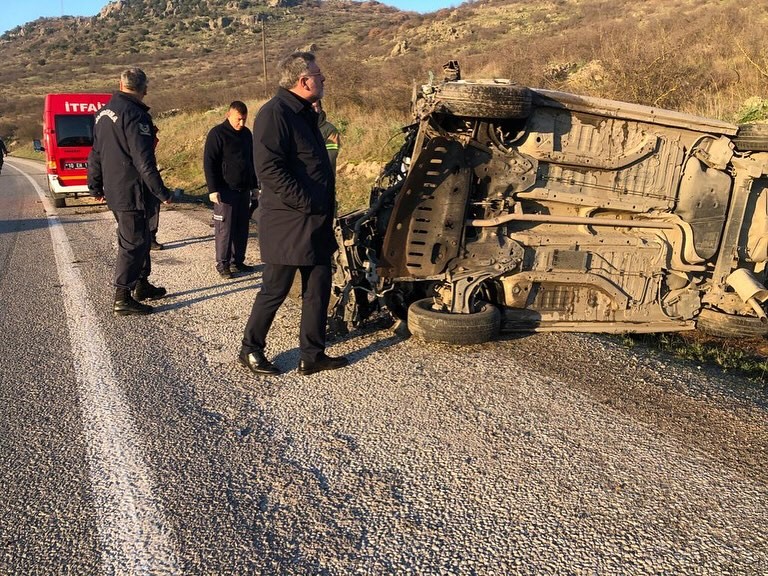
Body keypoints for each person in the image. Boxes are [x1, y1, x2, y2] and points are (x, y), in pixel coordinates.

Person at [238, 52, 348, 377]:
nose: (323, 78)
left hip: (315, 221)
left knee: (318, 288)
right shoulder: (275, 113)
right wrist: (308, 202)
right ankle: (250, 349)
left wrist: (322, 206)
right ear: (303, 81)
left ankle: (312, 355)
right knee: (275, 290)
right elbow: (270, 170)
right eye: (318, 74)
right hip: (289, 223)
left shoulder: (304, 113)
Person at [87, 67, 172, 316]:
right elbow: (143, 161)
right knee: (133, 243)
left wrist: (94, 185)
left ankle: (141, 284)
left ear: (120, 84)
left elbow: (96, 153)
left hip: (115, 190)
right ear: (145, 88)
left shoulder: (102, 113)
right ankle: (122, 296)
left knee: (142, 237)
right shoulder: (135, 115)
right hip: (131, 191)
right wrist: (162, 192)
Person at [203, 101, 258, 279]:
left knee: (242, 227)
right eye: (238, 120)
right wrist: (213, 189)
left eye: (244, 120)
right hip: (224, 190)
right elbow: (209, 163)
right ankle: (223, 264)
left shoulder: (247, 134)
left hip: (243, 189)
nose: (241, 124)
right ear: (229, 115)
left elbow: (252, 161)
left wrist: (254, 186)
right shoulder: (217, 133)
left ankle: (237, 261)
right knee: (224, 229)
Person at [312, 99, 340, 172]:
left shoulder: (330, 130)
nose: (314, 110)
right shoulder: (297, 128)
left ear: (320, 108)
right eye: (311, 107)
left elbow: (330, 158)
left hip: (322, 178)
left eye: (317, 106)